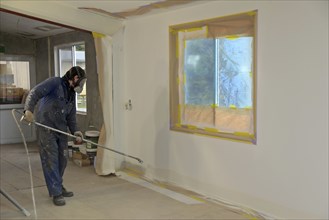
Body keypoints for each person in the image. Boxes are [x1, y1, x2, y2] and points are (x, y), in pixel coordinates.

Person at [22, 66, 86, 206]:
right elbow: (35, 92)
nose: (81, 85)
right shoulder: (54, 83)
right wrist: (28, 110)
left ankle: (58, 184)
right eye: (81, 81)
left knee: (62, 159)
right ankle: (56, 192)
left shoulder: (71, 94)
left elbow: (71, 116)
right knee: (51, 160)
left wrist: (75, 131)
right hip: (47, 128)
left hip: (61, 129)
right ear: (75, 78)